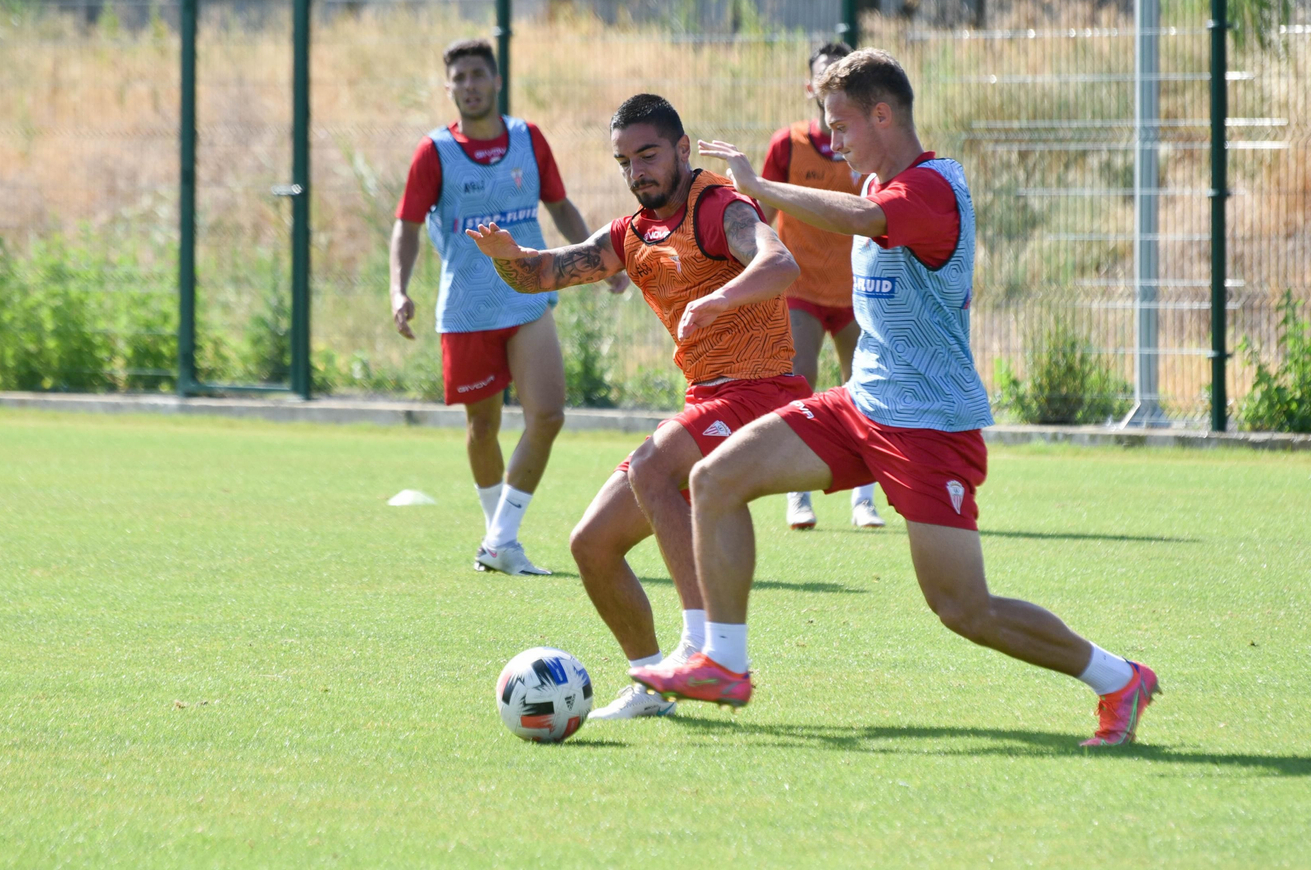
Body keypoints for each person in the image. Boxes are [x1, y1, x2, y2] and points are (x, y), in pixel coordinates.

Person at [631, 51, 1160, 747]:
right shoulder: (881, 182)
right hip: (861, 406)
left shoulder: (929, 189)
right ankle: (723, 662)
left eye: (842, 125)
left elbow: (862, 218)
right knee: (714, 476)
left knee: (962, 608)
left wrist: (766, 188)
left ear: (883, 114)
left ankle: (1118, 678)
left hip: (928, 426)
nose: (833, 141)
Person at [469, 93, 807, 720]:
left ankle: (705, 646)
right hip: (706, 400)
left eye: (648, 155)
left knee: (653, 467)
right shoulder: (632, 234)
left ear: (683, 148)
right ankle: (656, 683)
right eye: (624, 161)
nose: (637, 171)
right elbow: (542, 274)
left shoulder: (718, 206)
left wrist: (718, 300)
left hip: (760, 391)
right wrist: (507, 260)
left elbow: (779, 261)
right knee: (591, 544)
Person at [390, 38, 627, 576]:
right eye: (460, 77)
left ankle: (500, 539)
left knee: (548, 414)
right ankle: (500, 540)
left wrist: (600, 261)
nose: (469, 85)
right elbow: (405, 227)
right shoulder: (434, 152)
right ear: (449, 87)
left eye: (478, 74)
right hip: (468, 308)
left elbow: (560, 205)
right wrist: (397, 289)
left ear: (496, 81)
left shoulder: (527, 139)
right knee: (483, 428)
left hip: (526, 297)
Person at [764, 41, 882, 530]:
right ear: (810, 85)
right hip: (801, 290)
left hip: (858, 293)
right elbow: (759, 214)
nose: (828, 80)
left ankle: (864, 500)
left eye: (840, 73)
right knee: (800, 385)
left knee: (865, 389)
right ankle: (798, 495)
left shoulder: (867, 147)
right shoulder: (787, 144)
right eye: (822, 73)